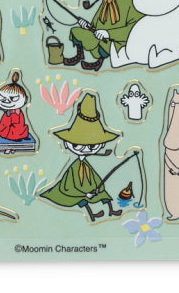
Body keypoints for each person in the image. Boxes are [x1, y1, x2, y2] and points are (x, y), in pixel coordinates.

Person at [40, 93, 122, 222]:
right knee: (82, 200)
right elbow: (69, 185)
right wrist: (85, 193)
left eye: (92, 146)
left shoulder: (87, 165)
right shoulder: (75, 167)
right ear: (67, 144)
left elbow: (95, 177)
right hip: (77, 191)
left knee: (103, 194)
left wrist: (98, 188)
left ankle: (111, 210)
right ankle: (92, 214)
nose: (86, 149)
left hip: (91, 186)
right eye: (77, 145)